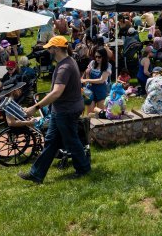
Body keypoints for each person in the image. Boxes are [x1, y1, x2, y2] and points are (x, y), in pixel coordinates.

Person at [19, 36, 91, 183]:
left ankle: (83, 169)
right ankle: (36, 174)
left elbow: (57, 92)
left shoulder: (64, 67)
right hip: (63, 110)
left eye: (50, 48)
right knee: (52, 141)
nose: (48, 51)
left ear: (56, 49)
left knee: (71, 140)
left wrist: (35, 107)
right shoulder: (69, 61)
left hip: (66, 111)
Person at [81, 48, 111, 115]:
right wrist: (85, 76)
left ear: (104, 56)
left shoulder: (108, 66)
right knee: (90, 114)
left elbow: (101, 80)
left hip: (101, 91)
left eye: (99, 57)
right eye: (96, 56)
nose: (97, 58)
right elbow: (87, 72)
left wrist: (87, 80)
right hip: (90, 91)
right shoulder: (92, 63)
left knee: (101, 113)